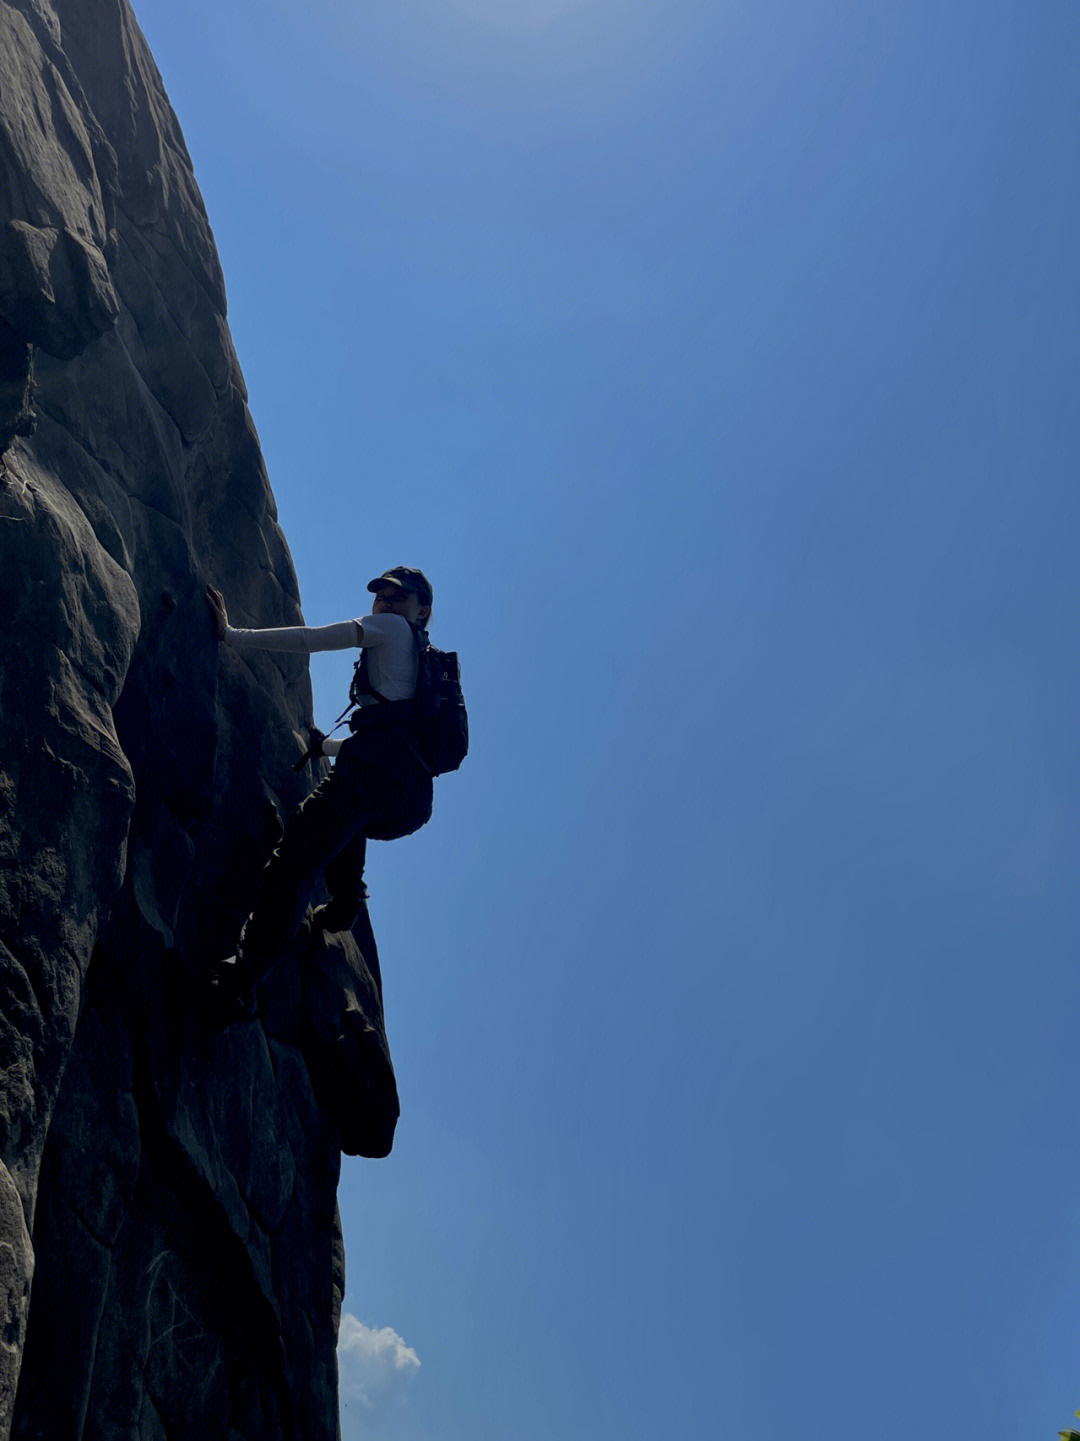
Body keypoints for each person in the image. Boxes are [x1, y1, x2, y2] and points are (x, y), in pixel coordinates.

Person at [202, 566, 436, 1021]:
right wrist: (325, 746)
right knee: (349, 818)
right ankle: (345, 904)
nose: (385, 603)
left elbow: (312, 639)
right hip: (407, 798)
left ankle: (241, 982)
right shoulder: (422, 666)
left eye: (398, 597)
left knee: (294, 864)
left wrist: (232, 635)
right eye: (380, 596)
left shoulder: (390, 631)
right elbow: (390, 741)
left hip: (370, 776)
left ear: (421, 610)